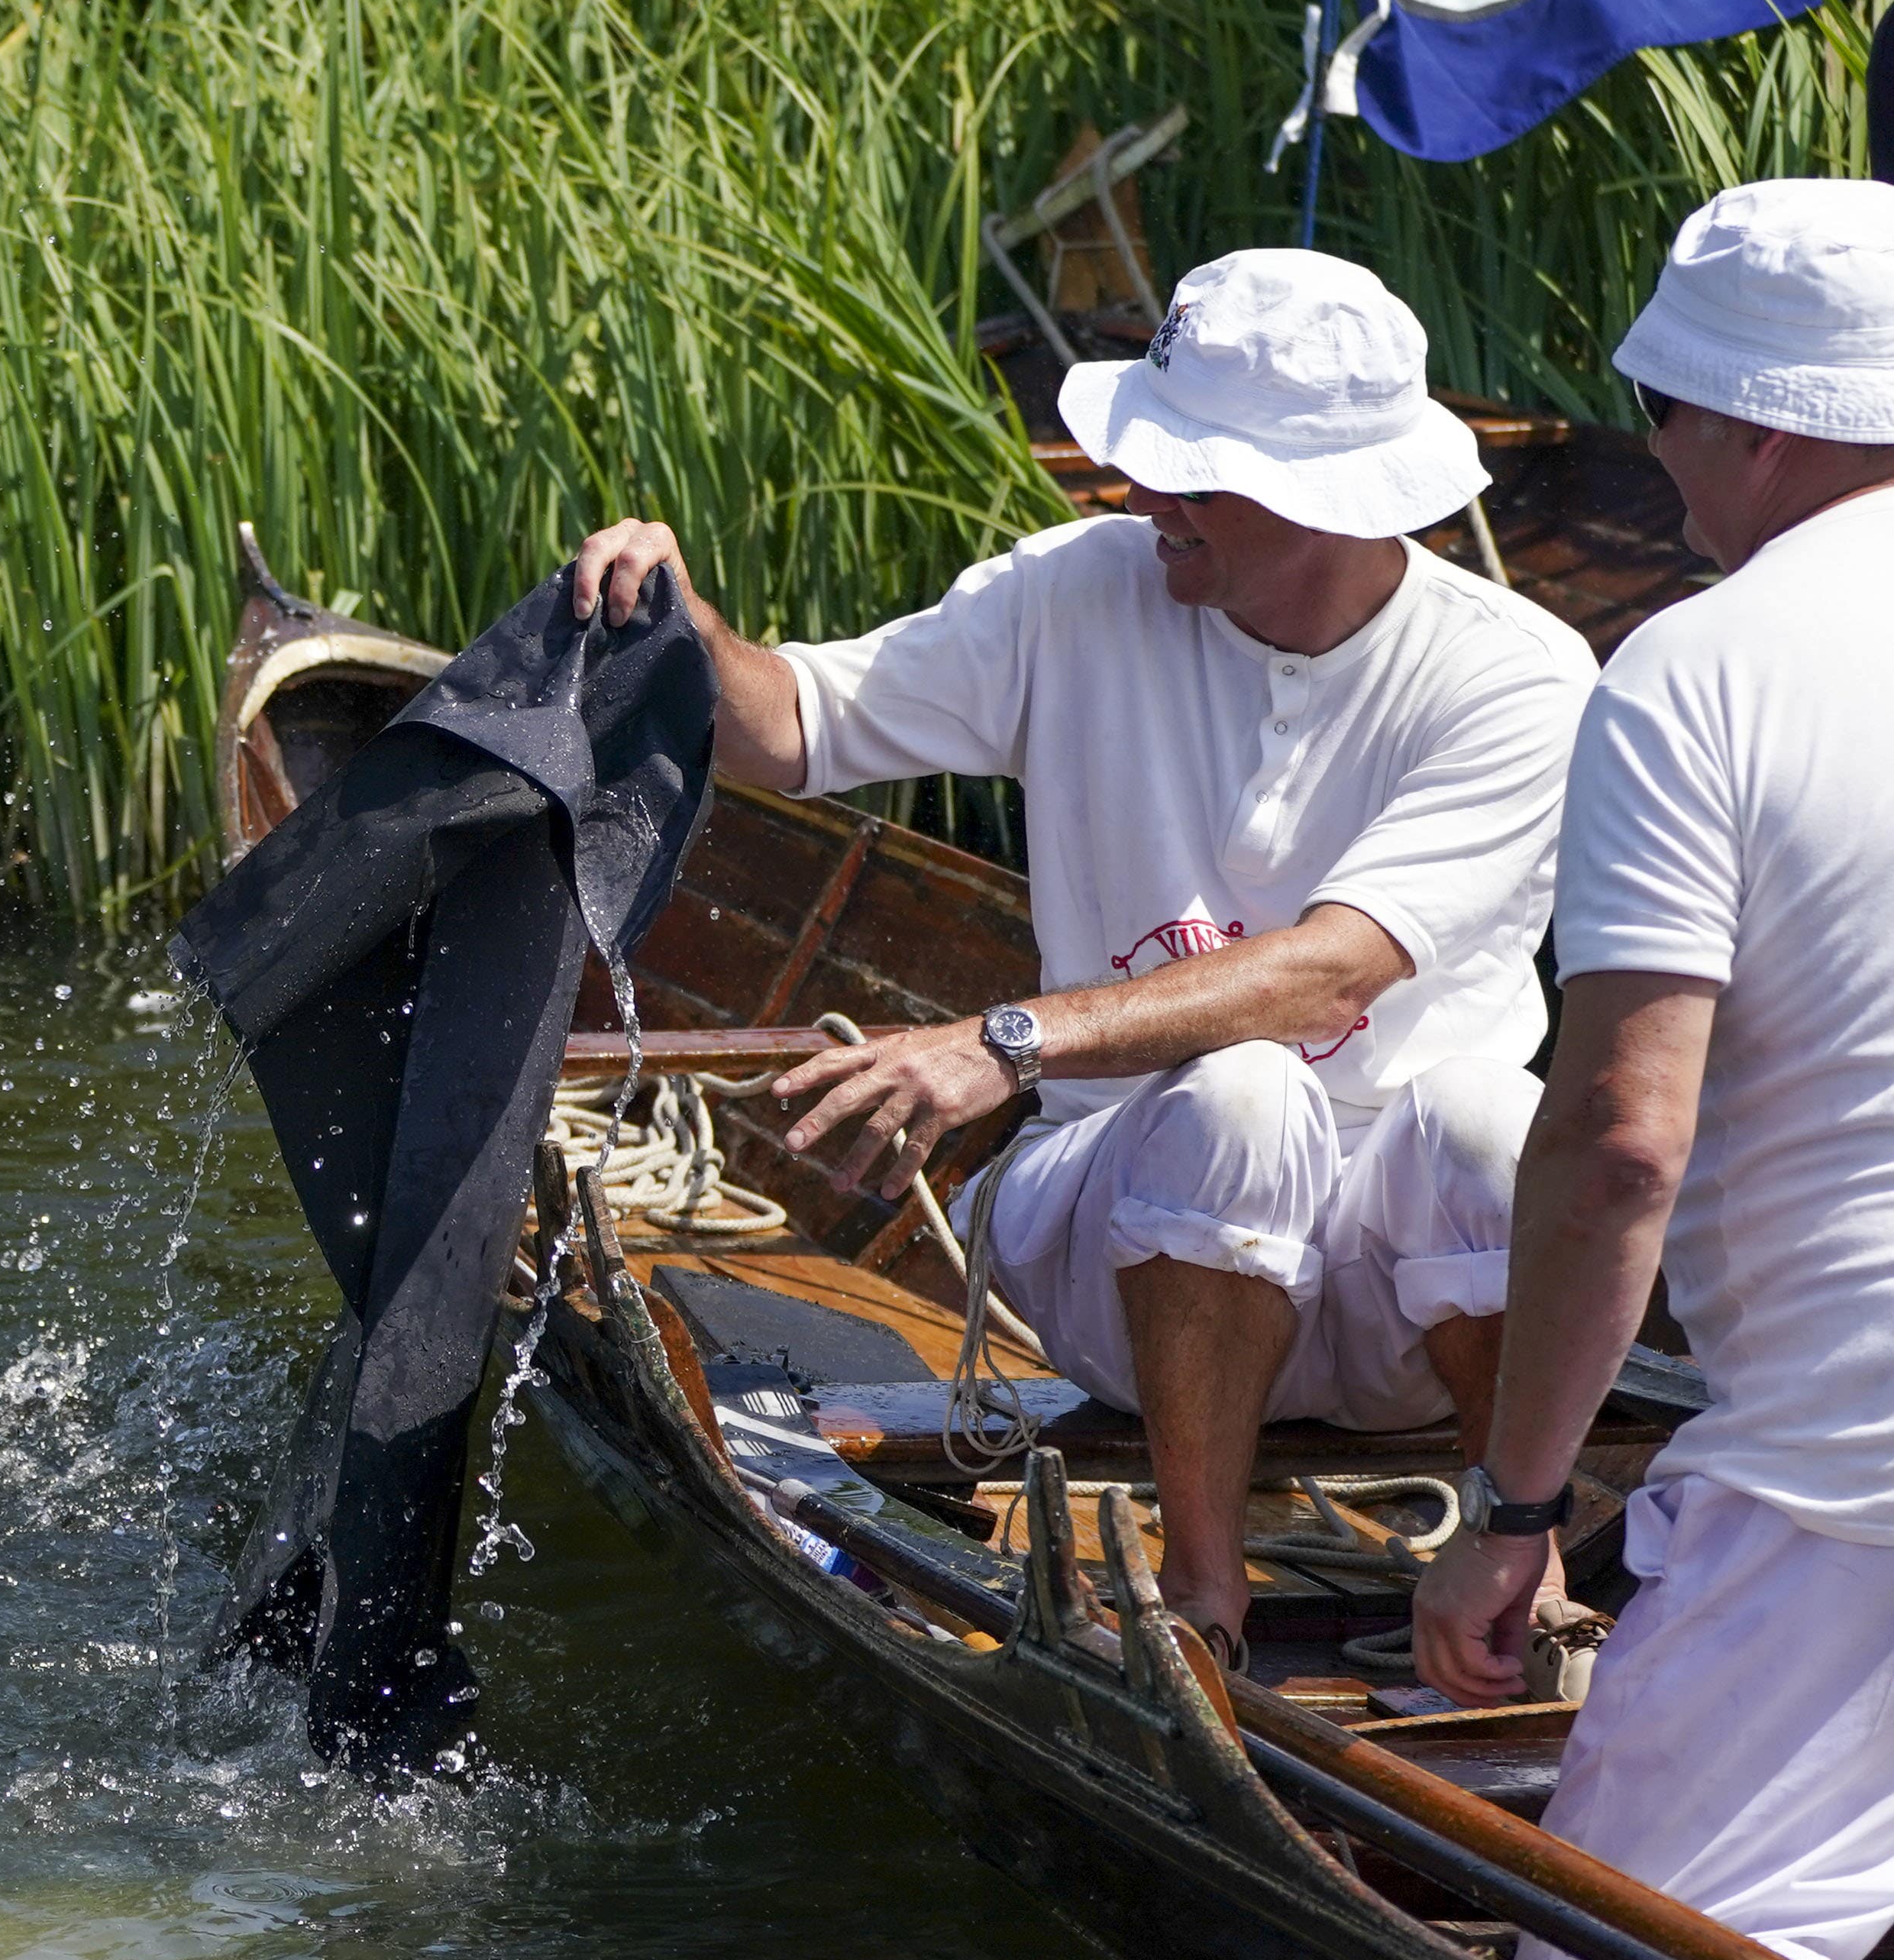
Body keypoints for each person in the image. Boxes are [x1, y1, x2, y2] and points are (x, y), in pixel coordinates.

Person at [571, 250, 1594, 1663]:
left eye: (1188, 474)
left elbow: (1331, 973)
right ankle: (1200, 1594)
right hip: (1124, 1253)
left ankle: (1510, 1563)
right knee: (1240, 1099)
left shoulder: (1519, 675)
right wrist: (690, 635)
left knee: (1492, 1118)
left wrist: (997, 1041)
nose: (1138, 498)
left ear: (1325, 503)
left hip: (1404, 1303)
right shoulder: (1076, 590)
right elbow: (792, 733)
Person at [1416, 180, 1894, 1960]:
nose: (1652, 450)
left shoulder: (1693, 670)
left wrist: (1514, 1510)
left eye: (1666, 413)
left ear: (1760, 425)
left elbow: (1618, 1136)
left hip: (1844, 1478)